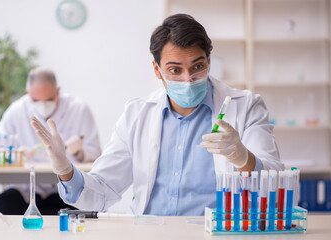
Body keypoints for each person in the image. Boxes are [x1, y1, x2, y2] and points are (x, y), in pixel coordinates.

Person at [31, 14, 284, 216]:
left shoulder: (246, 107)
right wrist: (65, 169)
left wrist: (244, 159)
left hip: (218, 234)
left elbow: (278, 187)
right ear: (156, 69)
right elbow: (102, 192)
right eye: (175, 70)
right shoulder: (137, 114)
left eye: (198, 66)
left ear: (209, 60)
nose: (188, 79)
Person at [0, 67, 102, 215]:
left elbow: (96, 153)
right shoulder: (16, 111)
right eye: (36, 100)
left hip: (66, 190)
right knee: (3, 205)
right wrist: (15, 155)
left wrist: (79, 152)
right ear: (28, 92)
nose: (43, 105)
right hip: (27, 189)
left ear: (58, 91)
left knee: (85, 210)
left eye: (49, 99)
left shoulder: (78, 109)